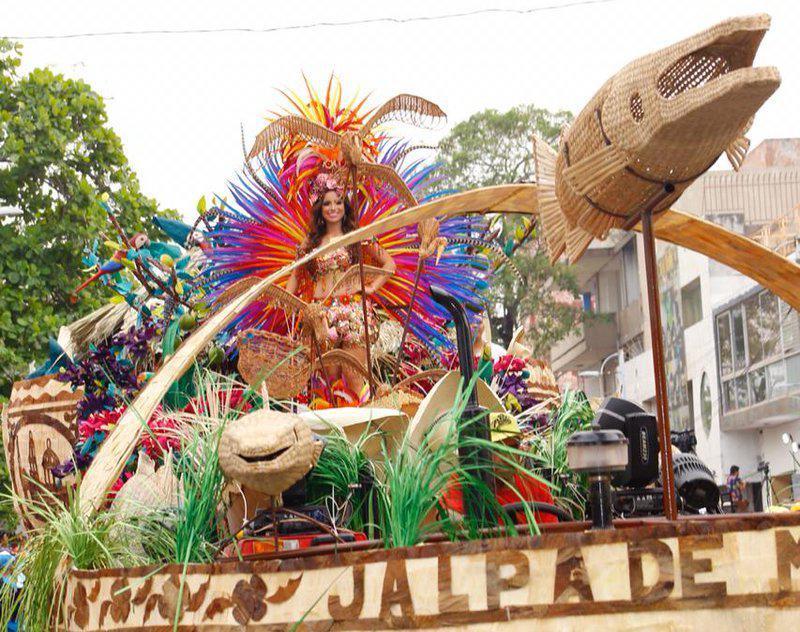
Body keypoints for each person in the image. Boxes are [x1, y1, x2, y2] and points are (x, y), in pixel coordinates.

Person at [286, 173, 395, 395]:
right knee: (327, 382)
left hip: (353, 314)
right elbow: (295, 276)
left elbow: (389, 264)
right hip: (321, 318)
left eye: (338, 202)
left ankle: (364, 416)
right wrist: (287, 305)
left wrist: (372, 287)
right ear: (320, 208)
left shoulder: (357, 236)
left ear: (345, 206)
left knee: (353, 376)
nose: (333, 208)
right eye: (327, 203)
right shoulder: (310, 243)